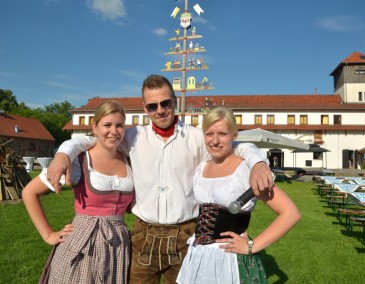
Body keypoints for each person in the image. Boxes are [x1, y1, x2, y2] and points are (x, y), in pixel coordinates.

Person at [46, 74, 274, 284]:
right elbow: (93, 140)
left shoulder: (196, 138)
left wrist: (258, 163)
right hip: (143, 234)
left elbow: (235, 145)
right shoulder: (133, 136)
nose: (160, 110)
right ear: (145, 108)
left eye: (166, 103)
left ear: (175, 102)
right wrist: (63, 154)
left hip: (185, 234)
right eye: (152, 106)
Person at [177, 107, 301, 284]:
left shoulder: (246, 170)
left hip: (230, 258)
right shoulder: (202, 168)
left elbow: (290, 213)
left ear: (234, 136)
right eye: (209, 133)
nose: (215, 140)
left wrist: (252, 246)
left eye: (222, 133)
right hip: (199, 256)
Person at [22, 101, 134, 283]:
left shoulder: (129, 161)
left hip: (118, 245)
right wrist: (48, 234)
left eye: (119, 125)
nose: (113, 131)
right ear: (95, 128)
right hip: (82, 244)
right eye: (107, 125)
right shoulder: (77, 161)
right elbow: (29, 192)